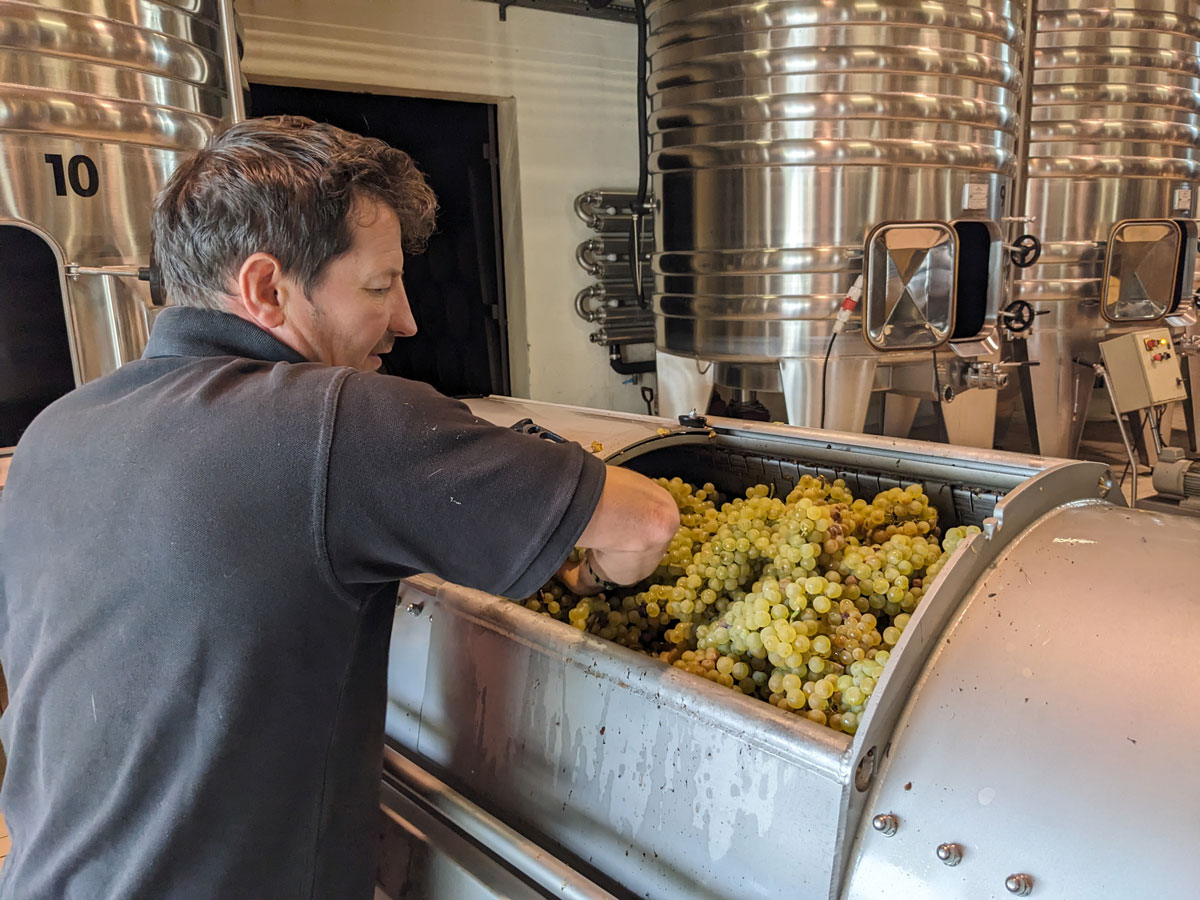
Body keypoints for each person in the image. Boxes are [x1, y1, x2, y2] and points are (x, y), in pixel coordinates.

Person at [0, 116, 679, 899]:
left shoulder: (55, 431)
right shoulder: (336, 419)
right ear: (265, 288)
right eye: (381, 286)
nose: (407, 321)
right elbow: (647, 518)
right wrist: (595, 581)